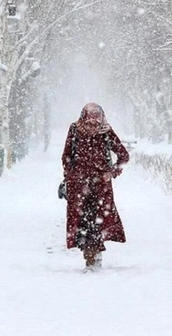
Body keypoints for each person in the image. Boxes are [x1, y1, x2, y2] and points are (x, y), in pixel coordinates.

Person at [61, 102, 130, 270]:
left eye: (96, 119)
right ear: (83, 116)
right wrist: (72, 175)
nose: (93, 123)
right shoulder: (75, 130)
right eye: (89, 119)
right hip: (79, 187)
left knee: (96, 222)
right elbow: (66, 156)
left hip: (100, 188)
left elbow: (123, 156)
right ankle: (90, 256)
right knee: (83, 222)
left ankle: (93, 258)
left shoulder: (106, 132)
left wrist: (112, 172)